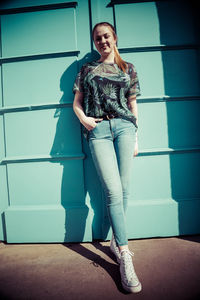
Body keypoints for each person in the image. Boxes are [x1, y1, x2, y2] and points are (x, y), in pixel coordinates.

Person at [73, 22, 142, 293]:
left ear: (114, 38)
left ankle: (115, 242)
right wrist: (86, 120)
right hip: (98, 130)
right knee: (113, 190)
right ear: (94, 42)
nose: (102, 41)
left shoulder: (129, 69)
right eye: (97, 38)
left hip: (125, 128)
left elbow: (133, 103)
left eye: (106, 36)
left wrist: (136, 136)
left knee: (123, 190)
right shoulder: (87, 69)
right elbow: (76, 102)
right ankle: (125, 254)